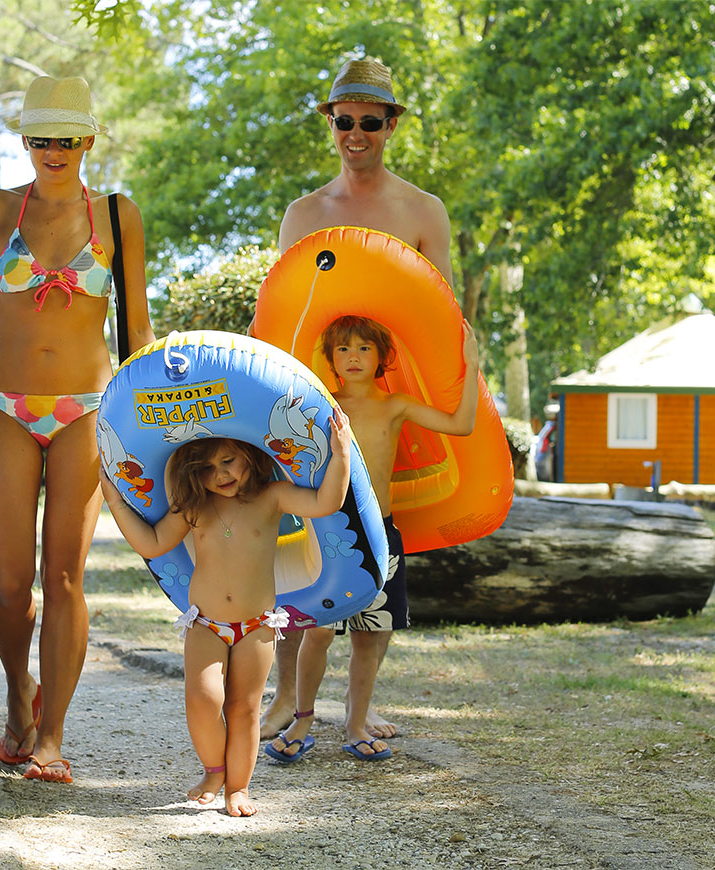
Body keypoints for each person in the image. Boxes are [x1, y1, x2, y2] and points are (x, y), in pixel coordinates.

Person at [0, 76, 154, 784]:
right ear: (26, 141)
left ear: (88, 139)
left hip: (89, 407)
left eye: (67, 138)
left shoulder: (118, 215)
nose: (54, 150)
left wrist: (155, 428)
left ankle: (51, 737)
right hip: (4, 411)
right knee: (12, 584)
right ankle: (20, 697)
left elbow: (136, 329)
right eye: (41, 138)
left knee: (65, 578)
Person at [258, 57, 453, 743]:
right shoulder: (305, 214)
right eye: (345, 121)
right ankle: (286, 699)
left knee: (378, 573)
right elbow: (287, 322)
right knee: (302, 566)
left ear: (391, 124)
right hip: (313, 415)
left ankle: (359, 712)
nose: (357, 133)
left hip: (387, 413)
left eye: (371, 121)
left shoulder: (422, 211)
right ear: (331, 124)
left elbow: (441, 322)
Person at [98, 417, 351, 815]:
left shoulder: (273, 497)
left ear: (250, 455)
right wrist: (114, 503)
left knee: (244, 708)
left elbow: (326, 503)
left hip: (257, 627)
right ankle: (214, 770)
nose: (221, 474)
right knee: (202, 698)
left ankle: (239, 787)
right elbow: (152, 541)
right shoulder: (196, 506)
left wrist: (341, 455)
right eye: (208, 469)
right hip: (206, 623)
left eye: (229, 461)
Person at [265, 315, 478, 763]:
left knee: (370, 635)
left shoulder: (394, 405)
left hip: (381, 532)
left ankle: (356, 722)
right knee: (318, 631)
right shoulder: (321, 404)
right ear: (331, 360)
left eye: (364, 348)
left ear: (382, 356)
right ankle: (303, 719)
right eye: (343, 349)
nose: (353, 357)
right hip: (329, 533)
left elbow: (460, 425)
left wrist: (472, 364)